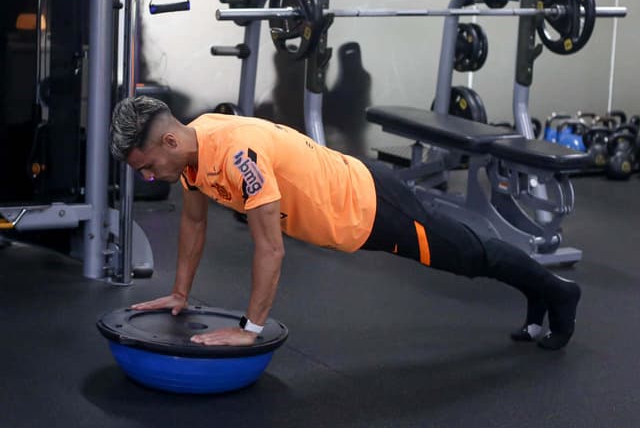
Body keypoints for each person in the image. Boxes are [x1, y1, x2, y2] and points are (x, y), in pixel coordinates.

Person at [110, 96, 581, 351]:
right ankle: (540, 290)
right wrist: (179, 292)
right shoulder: (193, 152)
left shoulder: (237, 156)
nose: (149, 176)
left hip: (372, 208)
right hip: (352, 198)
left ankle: (558, 291)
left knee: (469, 256)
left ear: (169, 140)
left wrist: (249, 330)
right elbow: (193, 224)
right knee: (469, 254)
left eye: (146, 165)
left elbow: (271, 249)